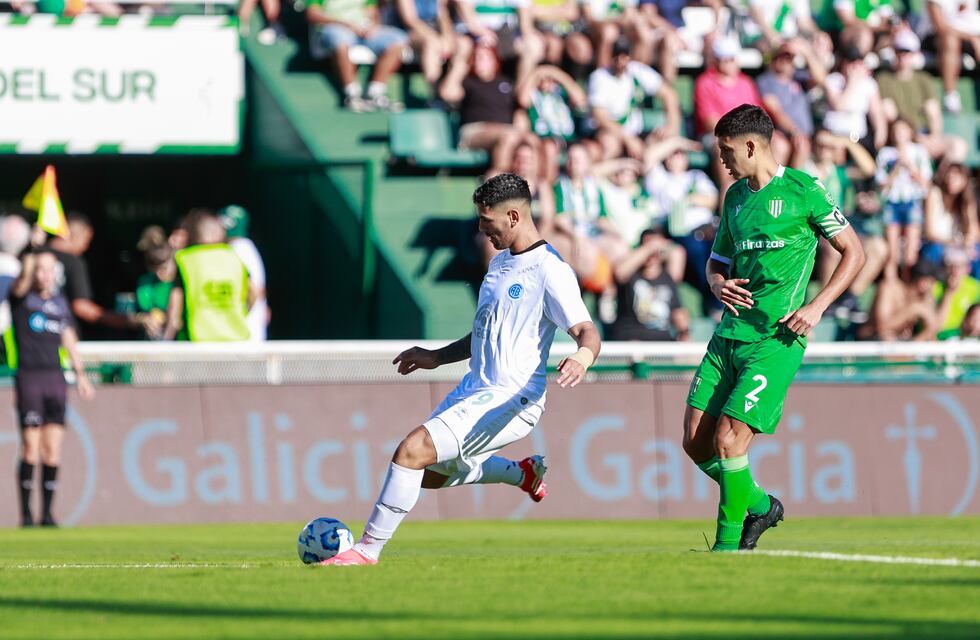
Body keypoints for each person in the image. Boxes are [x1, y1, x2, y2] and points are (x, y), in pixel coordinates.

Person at [321, 173, 601, 566]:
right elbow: (485, 332)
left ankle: (366, 551)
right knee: (427, 474)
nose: (482, 230)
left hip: (513, 396)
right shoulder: (500, 263)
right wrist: (437, 357)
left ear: (514, 217)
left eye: (488, 221)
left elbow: (587, 330)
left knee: (410, 452)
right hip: (476, 387)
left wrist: (582, 357)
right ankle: (522, 474)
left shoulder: (550, 270)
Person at [683, 105, 865, 552]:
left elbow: (854, 252)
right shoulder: (734, 197)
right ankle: (762, 506)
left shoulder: (804, 190)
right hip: (729, 336)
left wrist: (817, 306)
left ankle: (726, 551)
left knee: (729, 440)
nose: (721, 160)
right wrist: (717, 284)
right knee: (695, 443)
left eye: (726, 151)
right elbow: (717, 263)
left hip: (776, 338)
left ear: (751, 146)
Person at [10, 242, 95, 527]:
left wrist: (80, 374)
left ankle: (47, 514)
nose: (44, 275)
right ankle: (26, 514)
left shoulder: (60, 303)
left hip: (55, 379)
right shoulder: (22, 299)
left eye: (49, 270)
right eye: (40, 269)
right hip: (30, 378)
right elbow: (21, 282)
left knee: (52, 450)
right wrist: (32, 250)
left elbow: (68, 337)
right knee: (30, 449)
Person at [46, 212, 159, 339]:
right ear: (74, 234)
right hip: (61, 337)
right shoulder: (73, 262)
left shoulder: (34, 255)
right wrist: (125, 320)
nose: (86, 247)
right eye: (86, 240)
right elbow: (81, 307)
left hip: (33, 334)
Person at [163, 210, 255, 342]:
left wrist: (166, 340)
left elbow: (175, 309)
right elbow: (254, 292)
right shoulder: (235, 257)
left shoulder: (185, 259)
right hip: (235, 342)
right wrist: (241, 314)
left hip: (198, 344)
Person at [876, 30, 967, 161]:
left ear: (914, 54)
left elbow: (933, 114)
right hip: (900, 138)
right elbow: (892, 117)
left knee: (958, 146)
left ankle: (943, 174)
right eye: (899, 51)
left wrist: (933, 138)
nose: (903, 56)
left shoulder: (924, 79)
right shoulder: (884, 80)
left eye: (907, 52)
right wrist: (915, 138)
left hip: (924, 134)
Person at [440, 42, 530, 173]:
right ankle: (499, 177)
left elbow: (521, 105)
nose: (478, 61)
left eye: (482, 57)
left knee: (532, 141)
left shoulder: (505, 83)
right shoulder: (468, 82)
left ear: (494, 60)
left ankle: (539, 182)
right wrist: (458, 69)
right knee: (509, 136)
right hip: (474, 132)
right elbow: (447, 94)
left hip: (506, 131)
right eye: (475, 57)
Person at [587, 36, 681, 160]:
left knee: (664, 142)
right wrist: (628, 139)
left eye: (624, 56)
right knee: (609, 144)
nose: (620, 61)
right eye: (616, 56)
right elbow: (600, 117)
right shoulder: (599, 77)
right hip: (609, 132)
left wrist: (672, 126)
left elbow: (669, 94)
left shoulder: (637, 71)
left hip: (636, 132)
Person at [306, 0, 409, 111]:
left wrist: (373, 27)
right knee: (340, 41)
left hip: (362, 31)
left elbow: (372, 12)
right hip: (335, 28)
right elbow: (312, 14)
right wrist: (343, 24)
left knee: (397, 40)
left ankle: (375, 93)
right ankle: (352, 95)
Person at [607, 227, 690, 341]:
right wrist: (649, 248)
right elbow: (620, 272)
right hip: (632, 337)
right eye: (647, 246)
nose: (652, 253)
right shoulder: (631, 274)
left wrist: (684, 331)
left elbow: (677, 311)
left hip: (661, 339)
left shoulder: (667, 278)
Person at [876, 118, 932, 279]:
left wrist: (909, 166)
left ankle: (907, 282)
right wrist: (896, 168)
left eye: (902, 130)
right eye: (896, 130)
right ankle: (891, 283)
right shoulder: (885, 153)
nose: (898, 134)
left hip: (912, 201)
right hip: (892, 203)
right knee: (892, 252)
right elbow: (882, 185)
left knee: (910, 252)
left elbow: (925, 182)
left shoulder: (919, 152)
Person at [220, 206, 270, 341]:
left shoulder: (239, 248)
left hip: (245, 332)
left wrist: (239, 317)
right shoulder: (244, 247)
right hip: (248, 330)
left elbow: (254, 290)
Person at [923, 0, 980, 113]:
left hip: (967, 37)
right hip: (934, 38)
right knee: (950, 40)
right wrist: (971, 38)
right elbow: (940, 26)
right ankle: (950, 96)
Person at [135, 226, 176, 340]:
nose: (160, 274)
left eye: (164, 268)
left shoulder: (180, 282)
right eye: (155, 269)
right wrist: (143, 318)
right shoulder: (145, 282)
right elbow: (139, 312)